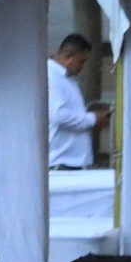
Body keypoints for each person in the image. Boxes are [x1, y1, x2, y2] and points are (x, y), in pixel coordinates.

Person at [47, 34, 99, 169]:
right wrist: (92, 119)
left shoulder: (67, 78)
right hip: (61, 161)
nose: (83, 66)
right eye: (81, 61)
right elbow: (58, 115)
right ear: (67, 56)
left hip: (72, 160)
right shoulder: (51, 76)